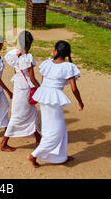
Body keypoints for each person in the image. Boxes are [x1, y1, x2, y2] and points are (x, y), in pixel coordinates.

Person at [28, 40, 84, 168]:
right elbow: (74, 88)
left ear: (55, 51)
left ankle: (61, 156)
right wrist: (80, 102)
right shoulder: (68, 67)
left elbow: (43, 82)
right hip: (53, 98)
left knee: (59, 129)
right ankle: (34, 155)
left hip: (45, 96)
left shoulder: (47, 64)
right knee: (56, 131)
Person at [0, 31, 41, 152]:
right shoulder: (28, 58)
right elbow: (32, 78)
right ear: (30, 44)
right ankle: (3, 143)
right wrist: (40, 88)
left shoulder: (13, 54)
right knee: (19, 116)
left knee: (31, 113)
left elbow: (15, 70)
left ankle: (38, 138)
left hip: (18, 85)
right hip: (27, 87)